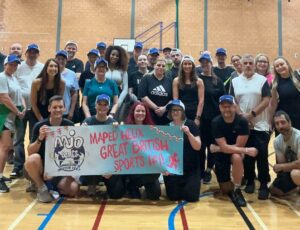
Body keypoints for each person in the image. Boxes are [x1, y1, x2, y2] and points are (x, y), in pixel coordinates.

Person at [230, 54, 271, 200]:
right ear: (241, 64)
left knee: (262, 155)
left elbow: (266, 100)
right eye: (245, 63)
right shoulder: (235, 81)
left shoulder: (262, 80)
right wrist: (242, 116)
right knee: (246, 154)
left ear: (254, 65)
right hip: (243, 125)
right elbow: (232, 100)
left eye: (250, 63)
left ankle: (264, 184)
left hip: (260, 125)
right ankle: (249, 180)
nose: (248, 65)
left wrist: (251, 114)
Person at [25, 95, 79, 202]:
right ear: (49, 109)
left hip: (59, 169)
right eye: (54, 107)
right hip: (40, 167)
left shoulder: (70, 126)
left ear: (64, 109)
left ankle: (51, 186)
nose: (58, 110)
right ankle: (41, 186)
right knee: (32, 159)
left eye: (60, 107)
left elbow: (74, 154)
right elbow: (30, 151)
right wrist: (40, 138)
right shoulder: (40, 126)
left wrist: (63, 175)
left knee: (73, 190)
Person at [210, 95, 258, 207]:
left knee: (237, 156)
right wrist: (246, 150)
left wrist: (218, 148)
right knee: (225, 190)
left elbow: (236, 146)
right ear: (220, 108)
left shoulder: (242, 122)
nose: (226, 109)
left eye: (229, 106)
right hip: (221, 155)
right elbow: (226, 148)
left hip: (232, 153)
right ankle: (237, 179)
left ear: (234, 107)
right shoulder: (216, 122)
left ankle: (237, 189)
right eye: (224, 106)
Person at [81, 94, 125, 198]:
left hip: (108, 163)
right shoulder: (87, 122)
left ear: (108, 107)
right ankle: (92, 182)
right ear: (95, 106)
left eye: (105, 105)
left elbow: (118, 149)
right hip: (92, 162)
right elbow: (81, 146)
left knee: (117, 194)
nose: (102, 107)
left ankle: (109, 182)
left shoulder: (113, 123)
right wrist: (81, 132)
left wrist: (118, 131)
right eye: (99, 104)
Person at [12, 43, 44, 178]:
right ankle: (18, 166)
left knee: (33, 138)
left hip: (35, 109)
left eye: (35, 52)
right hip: (20, 108)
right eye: (30, 52)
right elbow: (14, 84)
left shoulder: (42, 67)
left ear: (38, 54)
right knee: (18, 138)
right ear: (26, 54)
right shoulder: (19, 67)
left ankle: (30, 167)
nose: (32, 54)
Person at [163, 99, 202, 202]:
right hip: (174, 170)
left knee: (192, 197)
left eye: (178, 110)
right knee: (173, 197)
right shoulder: (166, 127)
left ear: (183, 112)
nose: (175, 112)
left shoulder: (191, 125)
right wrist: (164, 167)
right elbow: (162, 151)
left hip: (191, 169)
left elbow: (198, 146)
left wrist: (189, 134)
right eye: (172, 110)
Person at [124, 102, 161, 200]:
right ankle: (131, 183)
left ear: (146, 113)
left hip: (148, 167)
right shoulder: (125, 128)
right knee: (135, 196)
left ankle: (140, 183)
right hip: (132, 167)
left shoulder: (152, 129)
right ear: (133, 112)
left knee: (155, 195)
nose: (140, 113)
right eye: (138, 111)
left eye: (143, 111)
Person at [199, 53, 225, 183]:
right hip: (202, 118)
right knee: (201, 145)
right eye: (202, 63)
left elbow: (223, 100)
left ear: (211, 63)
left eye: (207, 62)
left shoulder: (217, 81)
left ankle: (208, 170)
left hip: (214, 119)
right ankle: (199, 170)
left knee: (212, 146)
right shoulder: (197, 79)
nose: (205, 65)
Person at [0, 54, 24, 192]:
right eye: (11, 64)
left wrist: (23, 107)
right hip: (4, 115)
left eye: (16, 65)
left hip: (11, 115)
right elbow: (4, 98)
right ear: (5, 64)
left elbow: (18, 96)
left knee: (7, 147)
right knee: (5, 147)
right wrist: (17, 112)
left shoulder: (13, 78)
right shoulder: (2, 77)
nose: (14, 67)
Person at [269, 110, 300, 196]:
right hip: (292, 169)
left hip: (296, 171)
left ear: (289, 122)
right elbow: (282, 165)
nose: (280, 126)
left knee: (295, 174)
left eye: (283, 122)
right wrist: (280, 168)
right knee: (274, 190)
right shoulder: (277, 141)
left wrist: (282, 167)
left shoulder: (298, 137)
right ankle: (296, 186)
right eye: (277, 124)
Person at [30, 59, 65, 128]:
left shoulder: (62, 83)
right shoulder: (36, 82)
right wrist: (41, 120)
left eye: (56, 66)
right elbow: (33, 104)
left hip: (53, 115)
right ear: (46, 68)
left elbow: (60, 103)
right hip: (36, 114)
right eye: (51, 66)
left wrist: (52, 119)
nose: (53, 68)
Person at [139, 58, 173, 125]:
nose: (161, 67)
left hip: (165, 114)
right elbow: (143, 97)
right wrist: (156, 109)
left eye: (163, 66)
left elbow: (172, 99)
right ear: (154, 66)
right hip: (149, 114)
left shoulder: (170, 81)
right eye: (158, 65)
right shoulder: (146, 78)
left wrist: (164, 109)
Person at [172, 55, 204, 125]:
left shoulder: (199, 81)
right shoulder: (176, 81)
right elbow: (175, 100)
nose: (187, 66)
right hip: (181, 113)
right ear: (182, 66)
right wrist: (177, 116)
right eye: (185, 64)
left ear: (193, 66)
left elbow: (201, 101)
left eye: (189, 64)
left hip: (194, 113)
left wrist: (197, 118)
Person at [270, 57, 300, 131]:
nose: (280, 67)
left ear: (287, 64)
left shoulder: (298, 77)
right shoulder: (274, 84)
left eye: (282, 64)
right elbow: (273, 104)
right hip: (283, 120)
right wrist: (271, 120)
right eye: (277, 66)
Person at [55, 50, 79, 122]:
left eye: (63, 59)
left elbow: (74, 93)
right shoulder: (51, 72)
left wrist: (71, 111)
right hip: (51, 110)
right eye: (58, 59)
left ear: (66, 60)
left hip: (66, 110)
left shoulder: (72, 74)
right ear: (55, 59)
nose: (60, 61)